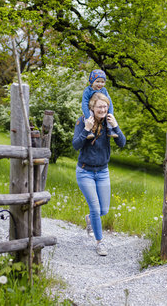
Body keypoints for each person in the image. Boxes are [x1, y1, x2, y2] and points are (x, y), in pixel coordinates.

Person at [72, 92, 126, 256]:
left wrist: (116, 126)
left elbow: (122, 143)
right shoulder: (83, 121)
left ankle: (90, 219)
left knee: (103, 210)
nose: (103, 109)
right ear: (92, 107)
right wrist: (86, 130)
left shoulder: (109, 122)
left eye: (105, 106)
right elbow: (76, 145)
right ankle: (100, 242)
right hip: (85, 171)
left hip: (103, 171)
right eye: (99, 106)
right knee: (96, 208)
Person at [81, 69, 118, 139]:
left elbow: (109, 101)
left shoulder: (104, 90)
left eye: (102, 82)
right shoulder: (87, 91)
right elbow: (84, 103)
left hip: (101, 108)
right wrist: (87, 116)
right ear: (91, 82)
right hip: (90, 109)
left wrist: (111, 113)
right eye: (97, 81)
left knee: (109, 117)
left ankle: (110, 130)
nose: (100, 84)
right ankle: (89, 131)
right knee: (90, 117)